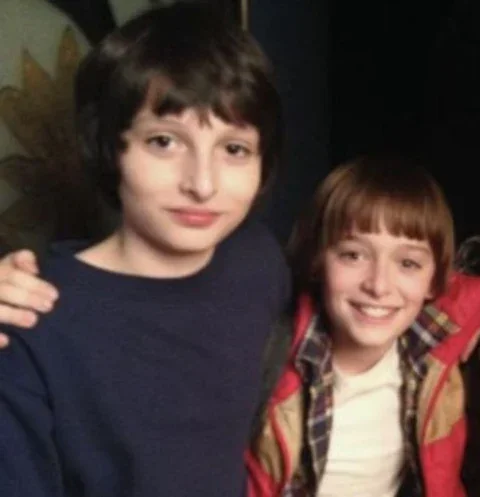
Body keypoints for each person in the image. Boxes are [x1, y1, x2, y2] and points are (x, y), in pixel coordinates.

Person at [0, 3, 290, 497]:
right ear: (110, 149)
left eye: (234, 149)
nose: (202, 184)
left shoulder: (259, 261)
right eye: (163, 141)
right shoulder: (32, 320)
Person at [245, 157, 480, 497]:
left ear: (433, 281)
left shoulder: (431, 346)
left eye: (408, 263)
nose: (379, 286)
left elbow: (473, 295)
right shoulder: (270, 357)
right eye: (353, 255)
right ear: (318, 260)